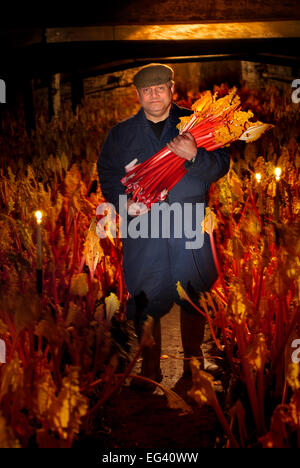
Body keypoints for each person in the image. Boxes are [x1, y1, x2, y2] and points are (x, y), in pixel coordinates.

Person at [97, 63, 230, 387]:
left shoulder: (195, 124)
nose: (153, 95)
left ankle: (192, 368)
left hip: (188, 222)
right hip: (144, 227)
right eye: (146, 90)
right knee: (145, 296)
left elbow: (221, 166)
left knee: (193, 294)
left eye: (159, 88)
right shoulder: (121, 134)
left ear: (172, 89)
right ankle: (150, 369)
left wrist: (195, 155)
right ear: (139, 95)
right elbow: (108, 173)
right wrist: (123, 202)